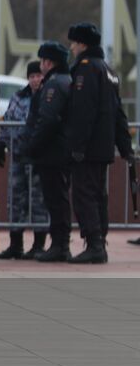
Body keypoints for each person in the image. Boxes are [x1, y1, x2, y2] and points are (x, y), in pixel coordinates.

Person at [62, 22, 134, 264]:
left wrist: (78, 147)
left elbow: (84, 112)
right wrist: (125, 147)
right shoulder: (108, 70)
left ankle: (94, 244)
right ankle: (98, 243)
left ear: (82, 44)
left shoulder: (85, 69)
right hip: (103, 147)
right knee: (98, 195)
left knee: (84, 195)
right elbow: (118, 113)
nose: (71, 48)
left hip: (88, 148)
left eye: (73, 43)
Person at [26, 42, 75, 262]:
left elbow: (47, 120)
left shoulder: (54, 85)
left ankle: (60, 245)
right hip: (60, 150)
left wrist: (33, 145)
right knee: (59, 198)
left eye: (43, 61)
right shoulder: (66, 80)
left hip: (53, 152)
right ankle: (60, 244)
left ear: (48, 62)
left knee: (56, 199)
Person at [0, 61, 49, 258]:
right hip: (19, 156)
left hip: (39, 158)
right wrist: (1, 144)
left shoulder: (48, 97)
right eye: (32, 76)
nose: (36, 79)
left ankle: (38, 244)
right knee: (15, 200)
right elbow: (8, 122)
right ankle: (15, 244)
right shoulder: (18, 97)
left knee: (38, 202)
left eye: (39, 76)